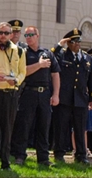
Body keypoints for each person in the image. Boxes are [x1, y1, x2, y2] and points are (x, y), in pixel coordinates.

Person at [10, 25, 60, 166]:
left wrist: (56, 94)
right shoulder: (23, 53)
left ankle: (43, 158)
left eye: (31, 35)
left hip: (44, 93)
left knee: (44, 126)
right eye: (26, 35)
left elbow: (55, 74)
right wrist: (39, 65)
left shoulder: (47, 53)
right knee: (24, 125)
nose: (29, 38)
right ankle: (20, 155)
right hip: (28, 92)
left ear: (37, 36)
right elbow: (22, 71)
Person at [50, 29, 92, 164]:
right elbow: (50, 57)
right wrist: (59, 44)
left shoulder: (87, 58)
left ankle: (81, 155)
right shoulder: (62, 55)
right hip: (65, 98)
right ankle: (59, 153)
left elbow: (91, 80)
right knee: (61, 127)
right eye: (74, 41)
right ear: (68, 43)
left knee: (80, 128)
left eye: (79, 41)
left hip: (81, 99)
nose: (77, 44)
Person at [0, 21, 26, 170]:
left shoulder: (18, 51)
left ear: (11, 35)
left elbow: (22, 72)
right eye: (1, 33)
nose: (3, 36)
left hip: (10, 93)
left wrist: (16, 81)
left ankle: (5, 161)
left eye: (6, 33)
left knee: (7, 128)